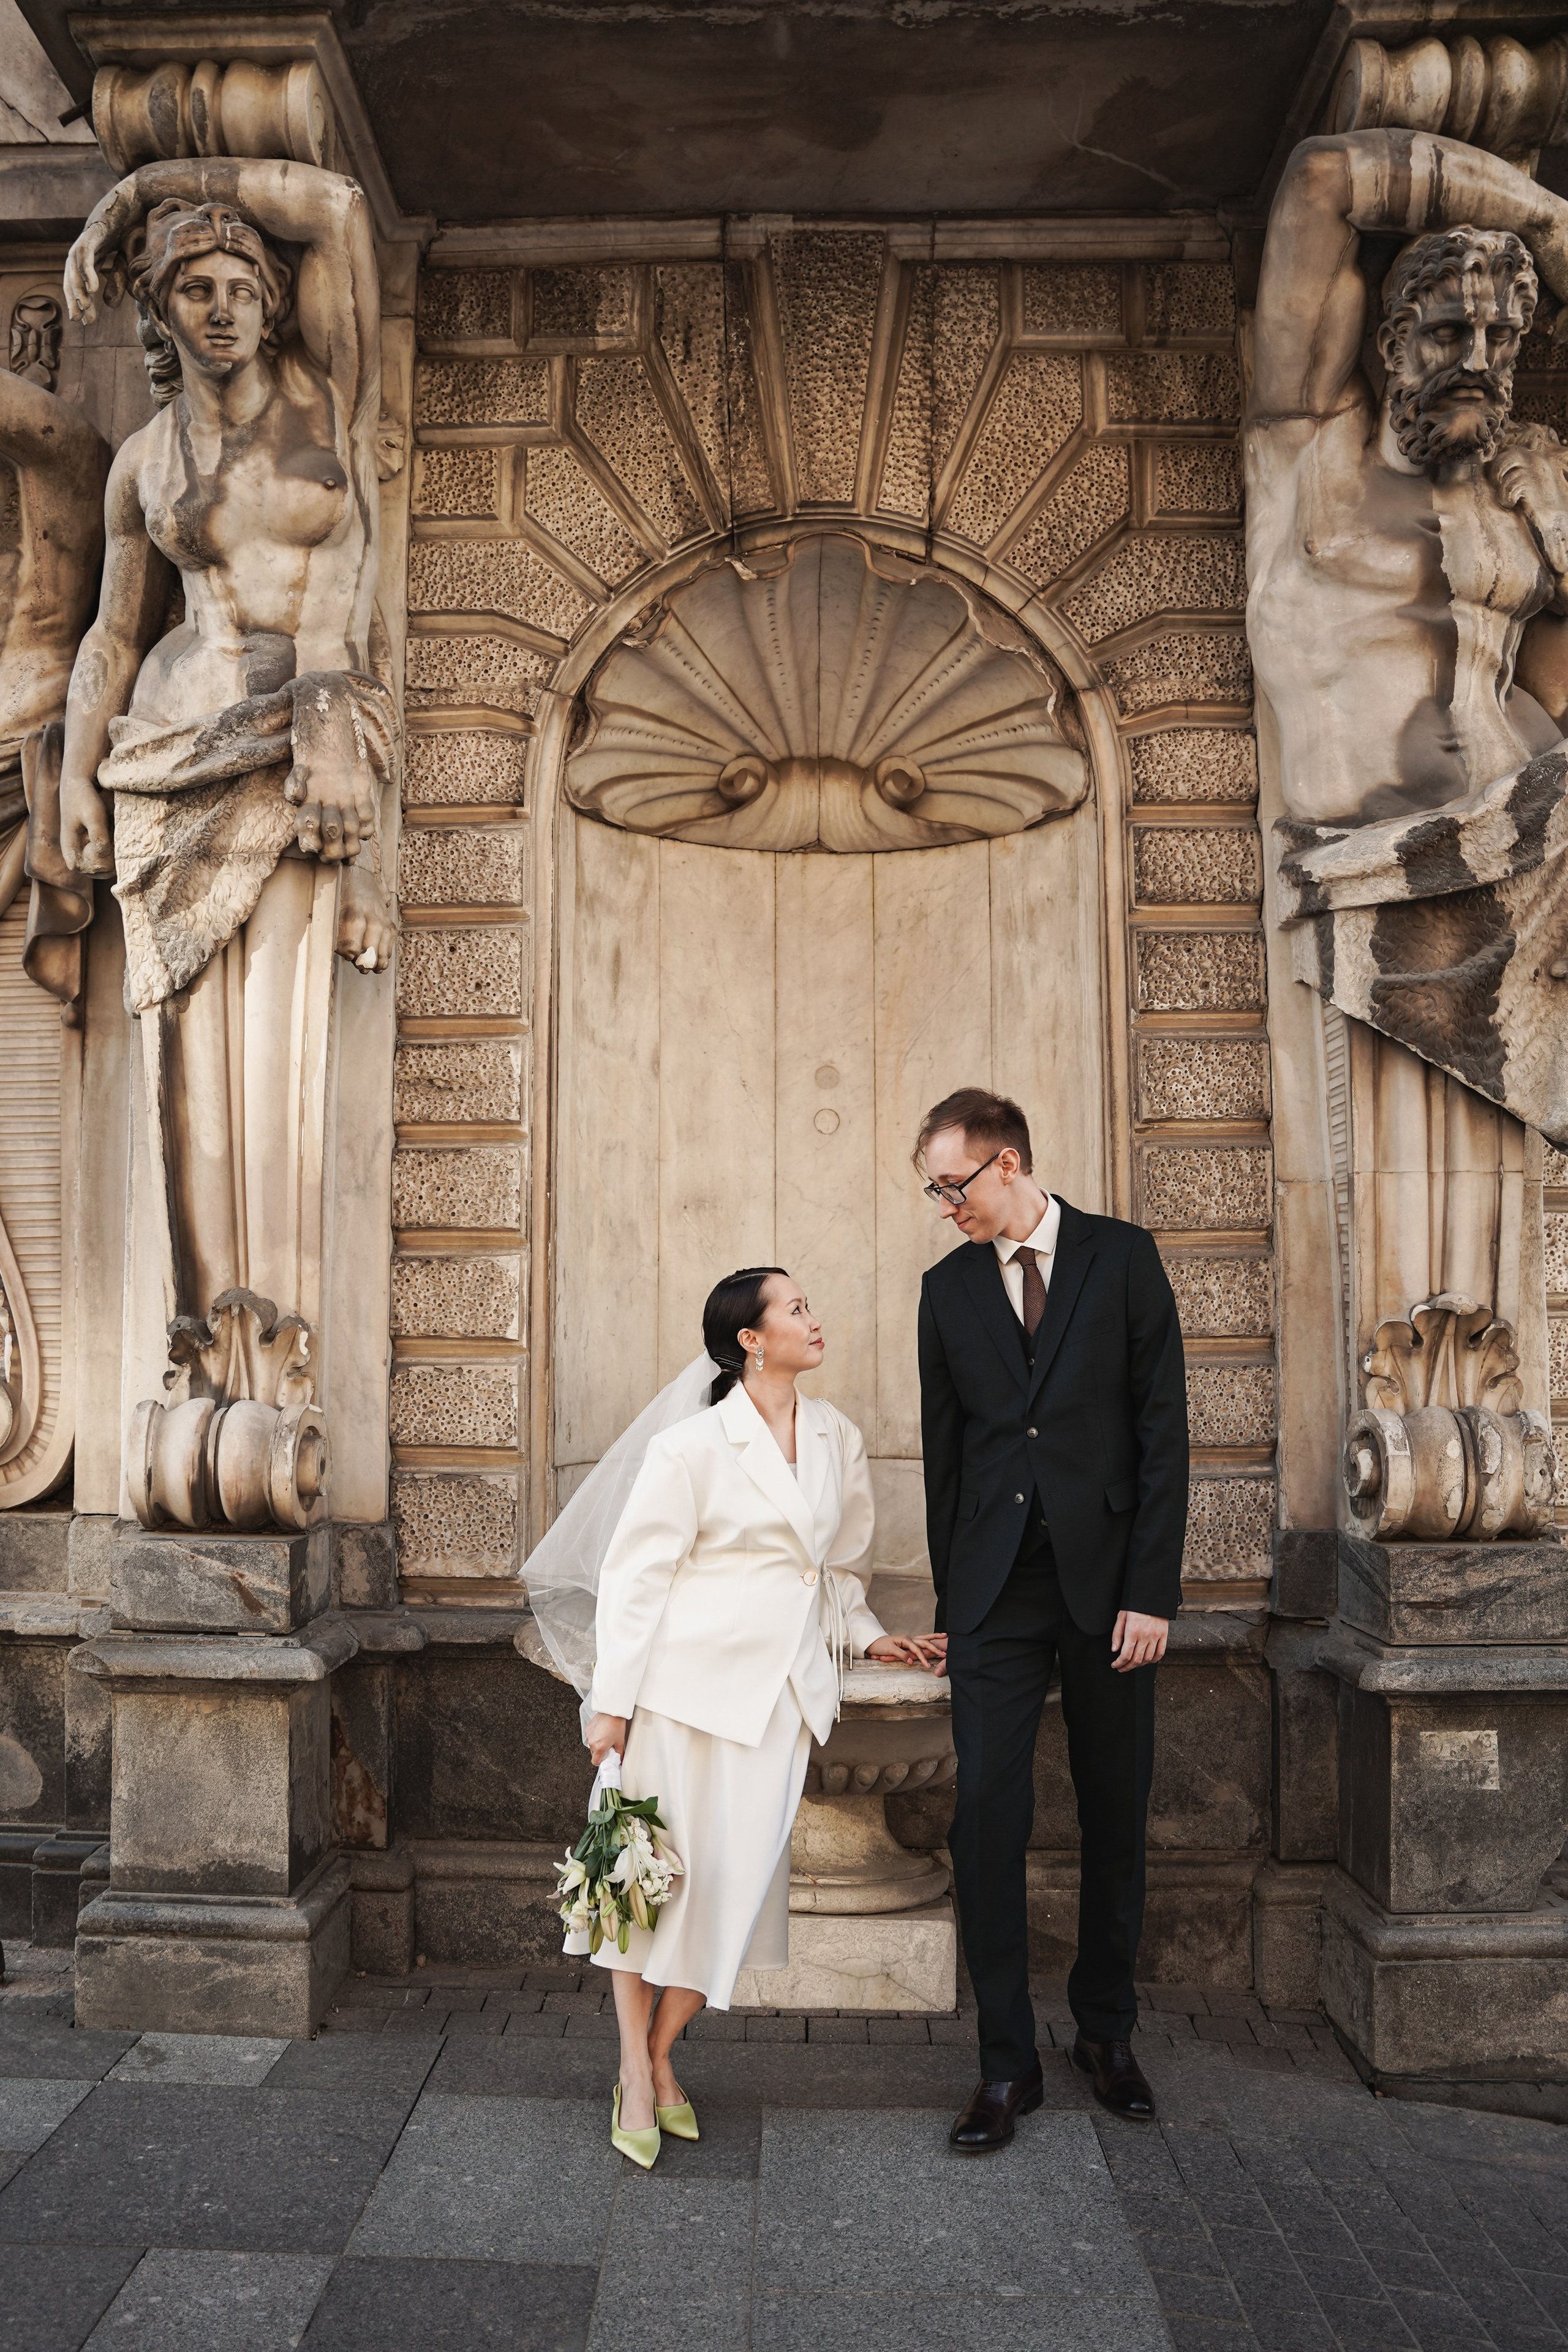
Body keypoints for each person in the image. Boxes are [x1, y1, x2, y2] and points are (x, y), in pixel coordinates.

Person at [571, 1267, 941, 2167]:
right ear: (751, 1337)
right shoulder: (693, 1446)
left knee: (736, 1896)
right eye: (797, 1308)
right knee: (643, 1885)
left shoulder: (837, 1435)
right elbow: (633, 1580)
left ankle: (660, 2057)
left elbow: (838, 1569)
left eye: (812, 1304)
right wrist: (610, 1707)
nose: (815, 1320)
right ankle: (634, 2065)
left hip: (782, 1698)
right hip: (683, 1694)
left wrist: (868, 1636)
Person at [914, 1088, 1187, 2145]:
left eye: (955, 1186)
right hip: (994, 1594)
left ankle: (1106, 2034)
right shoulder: (945, 1292)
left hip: (1112, 1584)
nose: (947, 1207)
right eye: (935, 1190)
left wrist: (1151, 1593)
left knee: (1116, 1810)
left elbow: (1164, 1432)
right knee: (986, 1816)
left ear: (1009, 1163)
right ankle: (1005, 2063)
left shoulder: (1123, 1258)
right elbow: (948, 1462)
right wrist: (952, 1602)